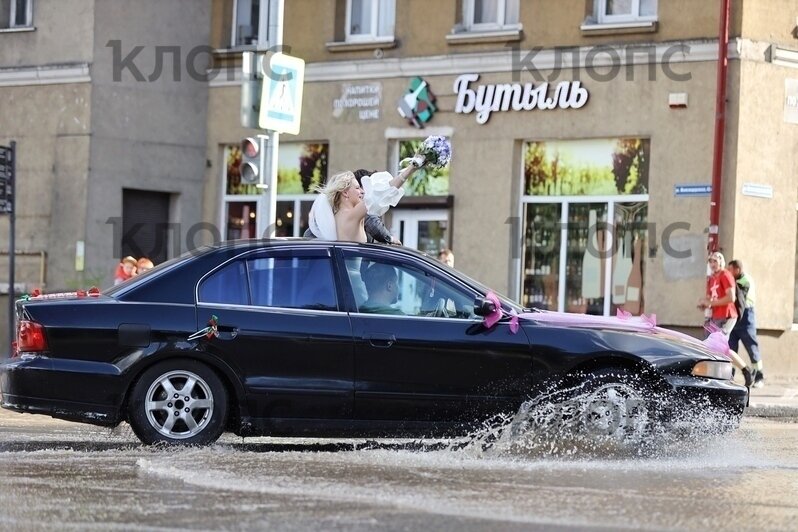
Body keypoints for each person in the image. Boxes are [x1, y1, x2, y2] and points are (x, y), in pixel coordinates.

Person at [308, 163, 419, 243]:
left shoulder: (339, 215)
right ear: (345, 193)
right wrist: (410, 169)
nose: (362, 191)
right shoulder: (349, 215)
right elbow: (380, 194)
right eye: (357, 188)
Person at [697, 251, 755, 386]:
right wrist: (704, 303)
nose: (712, 264)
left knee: (717, 345)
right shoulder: (711, 278)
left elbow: (731, 298)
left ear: (721, 262)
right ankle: (742, 372)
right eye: (710, 261)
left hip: (728, 316)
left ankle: (738, 373)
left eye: (715, 261)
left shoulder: (726, 275)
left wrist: (710, 303)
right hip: (716, 317)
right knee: (716, 347)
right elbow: (713, 298)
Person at [728, 259, 765, 387]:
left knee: (752, 347)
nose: (729, 272)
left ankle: (759, 376)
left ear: (737, 269)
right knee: (730, 348)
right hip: (734, 318)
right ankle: (729, 376)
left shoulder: (745, 280)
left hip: (746, 318)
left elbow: (739, 294)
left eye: (730, 270)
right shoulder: (735, 279)